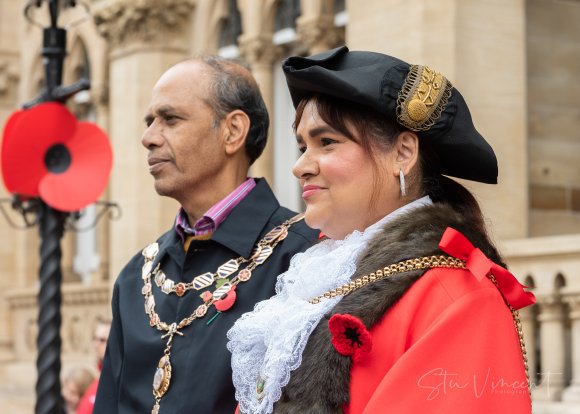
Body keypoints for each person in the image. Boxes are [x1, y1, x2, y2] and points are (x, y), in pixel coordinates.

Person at [227, 46, 536, 414]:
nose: (300, 167)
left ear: (403, 153)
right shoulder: (315, 283)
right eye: (301, 146)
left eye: (327, 142)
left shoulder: (458, 298)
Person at [93, 56, 319, 414]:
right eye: (150, 121)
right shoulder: (137, 274)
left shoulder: (307, 258)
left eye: (170, 119)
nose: (148, 138)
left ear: (232, 131)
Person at [76, 319, 111, 414]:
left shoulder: (117, 382)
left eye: (103, 340)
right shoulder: (95, 382)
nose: (96, 344)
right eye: (95, 339)